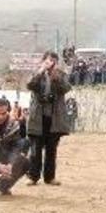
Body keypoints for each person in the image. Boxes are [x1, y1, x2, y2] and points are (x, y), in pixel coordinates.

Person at [25, 51, 70, 186]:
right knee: (35, 150)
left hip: (54, 119)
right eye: (48, 60)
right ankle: (33, 176)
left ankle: (50, 177)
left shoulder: (61, 75)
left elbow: (66, 88)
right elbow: (30, 85)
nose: (50, 63)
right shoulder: (36, 74)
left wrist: (55, 77)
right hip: (37, 117)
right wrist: (41, 72)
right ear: (43, 61)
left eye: (53, 61)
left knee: (51, 150)